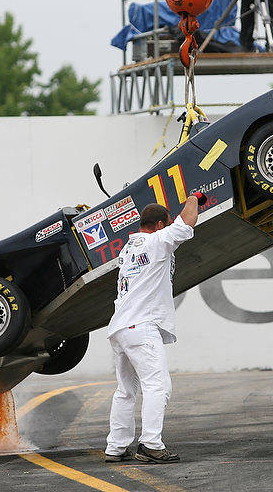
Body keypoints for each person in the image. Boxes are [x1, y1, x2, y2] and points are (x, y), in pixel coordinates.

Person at [104, 193, 204, 464]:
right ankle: (150, 444)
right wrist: (194, 198)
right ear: (160, 225)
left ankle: (116, 447)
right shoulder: (156, 241)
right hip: (141, 326)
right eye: (167, 224)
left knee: (126, 391)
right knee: (158, 385)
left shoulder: (128, 249)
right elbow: (186, 222)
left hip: (121, 327)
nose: (169, 227)